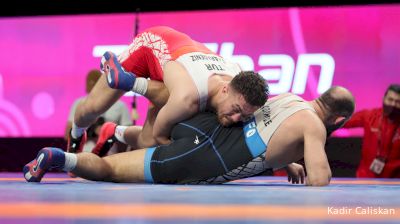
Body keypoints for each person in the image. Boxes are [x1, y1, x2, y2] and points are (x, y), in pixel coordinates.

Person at [24, 86, 355, 187]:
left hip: (206, 125)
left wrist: (286, 163)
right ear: (338, 119)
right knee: (111, 170)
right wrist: (309, 157)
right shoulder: (313, 125)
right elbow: (319, 183)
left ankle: (120, 129)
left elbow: (266, 134)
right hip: (208, 157)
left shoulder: (291, 98)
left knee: (159, 135)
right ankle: (58, 158)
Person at [68, 26, 267, 155]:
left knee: (146, 142)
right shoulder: (188, 96)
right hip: (151, 46)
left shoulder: (242, 90)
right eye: (235, 110)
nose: (235, 119)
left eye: (242, 115)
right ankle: (76, 135)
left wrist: (282, 162)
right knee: (92, 109)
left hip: (176, 66)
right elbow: (161, 136)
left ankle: (113, 132)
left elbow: (263, 130)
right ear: (225, 90)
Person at [65, 69, 132, 155]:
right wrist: (90, 131)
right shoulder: (79, 103)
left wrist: (110, 134)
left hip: (109, 157)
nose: (92, 87)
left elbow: (127, 140)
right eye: (89, 84)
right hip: (83, 156)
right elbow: (67, 135)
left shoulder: (120, 106)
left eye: (94, 84)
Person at [341, 84, 400, 178]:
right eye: (390, 100)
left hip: (395, 183)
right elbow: (343, 122)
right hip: (365, 180)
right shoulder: (370, 116)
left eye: (398, 102)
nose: (393, 104)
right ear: (384, 98)